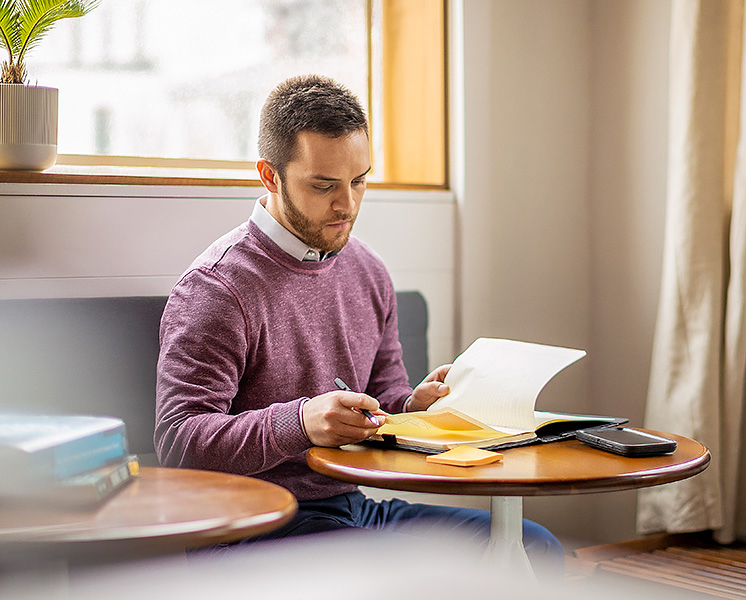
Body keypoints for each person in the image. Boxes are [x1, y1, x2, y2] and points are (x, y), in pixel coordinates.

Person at [154, 74, 563, 573]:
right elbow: (179, 441)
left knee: (533, 547)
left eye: (359, 180)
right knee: (427, 573)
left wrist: (413, 405)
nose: (347, 204)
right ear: (269, 175)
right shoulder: (217, 288)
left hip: (352, 511)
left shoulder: (367, 271)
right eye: (324, 186)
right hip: (249, 527)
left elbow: (386, 400)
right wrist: (299, 423)